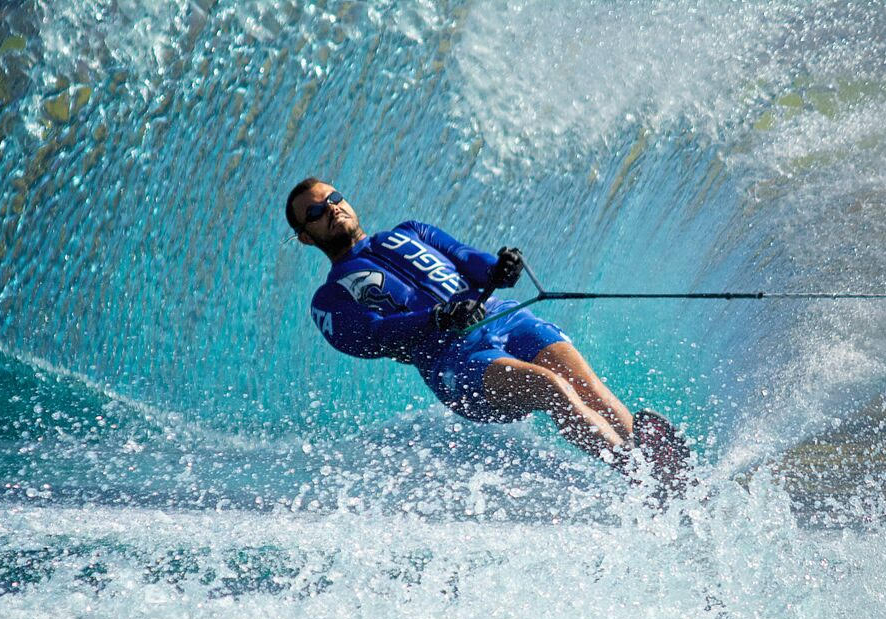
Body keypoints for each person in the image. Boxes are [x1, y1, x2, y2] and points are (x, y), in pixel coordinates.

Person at [285, 177, 687, 491]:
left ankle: (664, 475)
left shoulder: (411, 231)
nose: (332, 210)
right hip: (455, 363)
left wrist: (499, 267)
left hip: (502, 319)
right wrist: (436, 319)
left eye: (334, 198)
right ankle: (638, 476)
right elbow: (369, 336)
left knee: (590, 389)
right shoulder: (330, 297)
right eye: (317, 211)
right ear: (306, 236)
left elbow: (465, 259)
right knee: (550, 387)